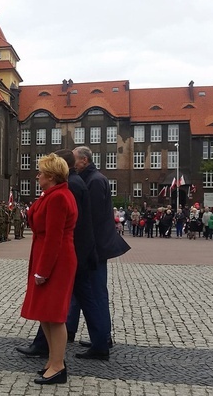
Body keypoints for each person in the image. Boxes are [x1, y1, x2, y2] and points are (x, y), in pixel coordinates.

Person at [19, 153, 77, 385]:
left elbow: (54, 237)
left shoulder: (59, 198)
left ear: (51, 176)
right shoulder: (52, 194)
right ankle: (53, 360)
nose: (37, 175)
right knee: (44, 313)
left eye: (41, 172)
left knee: (54, 315)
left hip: (56, 260)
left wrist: (43, 270)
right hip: (46, 255)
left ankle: (58, 365)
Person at [70, 146, 130, 360]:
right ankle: (100, 335)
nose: (72, 164)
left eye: (74, 160)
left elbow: (91, 219)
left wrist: (87, 249)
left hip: (95, 248)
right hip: (96, 246)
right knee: (89, 292)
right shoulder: (94, 178)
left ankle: (102, 339)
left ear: (84, 160)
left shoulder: (94, 181)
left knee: (96, 293)